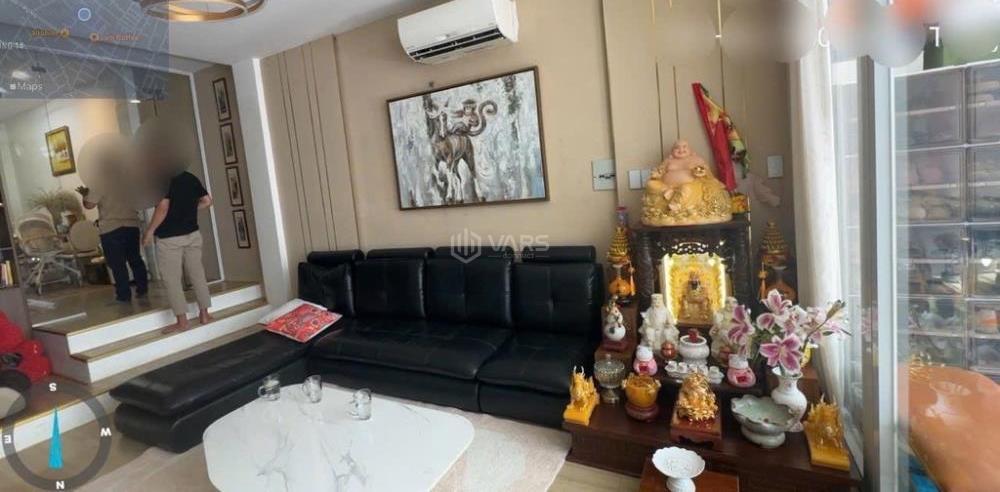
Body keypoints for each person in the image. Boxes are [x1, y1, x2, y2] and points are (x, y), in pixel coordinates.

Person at [142, 170, 214, 333]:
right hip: (193, 234)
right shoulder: (190, 177)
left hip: (170, 238)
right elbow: (207, 201)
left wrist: (150, 231)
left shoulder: (161, 179)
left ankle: (182, 322)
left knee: (172, 279)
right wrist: (188, 210)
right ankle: (204, 315)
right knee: (197, 274)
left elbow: (163, 207)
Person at [77, 185, 149, 303]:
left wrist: (85, 195)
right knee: (135, 259)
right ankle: (142, 289)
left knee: (117, 264)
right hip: (132, 225)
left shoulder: (99, 183)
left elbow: (89, 205)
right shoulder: (129, 181)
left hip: (111, 228)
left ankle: (124, 295)